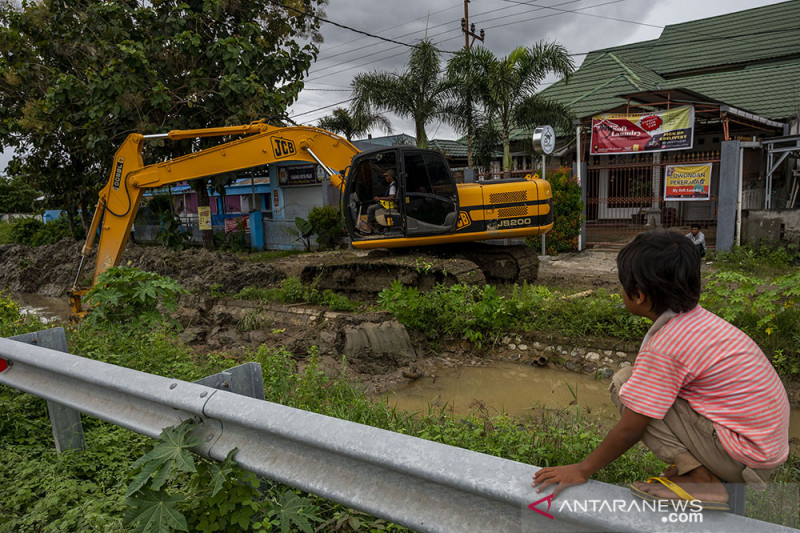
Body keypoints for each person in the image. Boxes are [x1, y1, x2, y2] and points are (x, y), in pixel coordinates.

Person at [532, 230, 789, 509]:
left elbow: (632, 427)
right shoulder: (697, 320)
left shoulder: (668, 346)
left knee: (624, 384)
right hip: (761, 449)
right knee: (644, 388)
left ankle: (703, 482)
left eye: (622, 286)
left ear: (639, 295)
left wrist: (582, 469)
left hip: (744, 458)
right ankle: (698, 470)